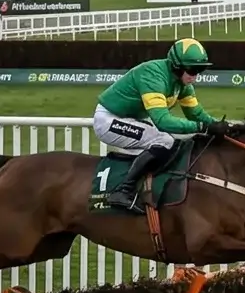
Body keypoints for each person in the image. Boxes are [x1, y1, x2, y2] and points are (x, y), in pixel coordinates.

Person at [92, 37, 221, 214]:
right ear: (176, 66)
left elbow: (196, 114)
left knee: (171, 143)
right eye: (193, 69)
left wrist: (219, 125)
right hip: (108, 119)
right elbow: (162, 121)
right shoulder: (153, 75)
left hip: (130, 119)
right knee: (164, 140)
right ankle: (123, 191)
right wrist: (202, 128)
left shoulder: (182, 83)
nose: (195, 75)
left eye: (201, 70)